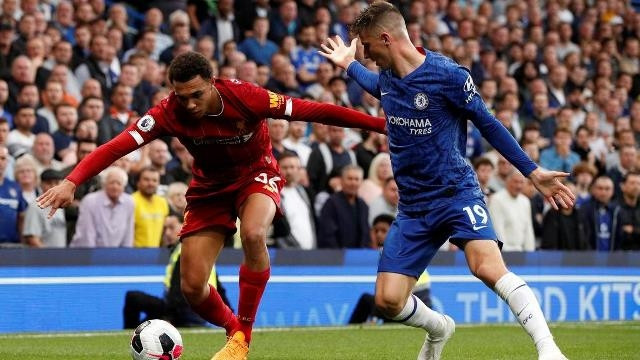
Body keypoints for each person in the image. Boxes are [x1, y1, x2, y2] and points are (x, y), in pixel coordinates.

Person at [38, 51, 385, 359]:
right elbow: (119, 145)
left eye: (196, 94)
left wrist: (381, 126)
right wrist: (72, 180)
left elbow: (318, 111)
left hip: (256, 175)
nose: (188, 104)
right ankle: (235, 329)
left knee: (252, 234)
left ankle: (241, 340)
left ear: (213, 81)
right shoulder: (168, 112)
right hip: (209, 188)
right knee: (191, 287)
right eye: (181, 96)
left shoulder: (247, 97)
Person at [319, 3, 573, 359]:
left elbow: (488, 123)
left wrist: (532, 171)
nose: (368, 55)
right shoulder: (390, 79)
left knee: (485, 267)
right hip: (413, 208)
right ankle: (439, 327)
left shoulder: (449, 75)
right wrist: (348, 64)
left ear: (386, 39)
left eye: (367, 46)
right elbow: (376, 85)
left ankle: (548, 350)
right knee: (387, 301)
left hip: (456, 194)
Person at [124, 215, 233, 329]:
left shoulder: (184, 252)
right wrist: (231, 318)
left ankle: (130, 335)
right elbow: (218, 287)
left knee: (132, 297)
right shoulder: (199, 250)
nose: (167, 233)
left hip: (182, 313)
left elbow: (177, 291)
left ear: (184, 226)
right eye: (165, 229)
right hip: (196, 313)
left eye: (171, 228)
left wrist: (168, 318)